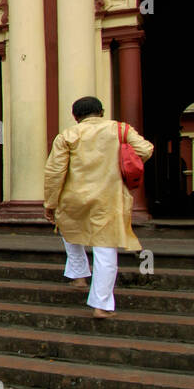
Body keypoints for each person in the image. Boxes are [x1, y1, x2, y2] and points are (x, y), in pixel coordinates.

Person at [44, 95, 154, 318]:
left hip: (73, 196)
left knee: (69, 231)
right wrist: (120, 159)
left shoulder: (68, 135)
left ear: (76, 117)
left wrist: (50, 203)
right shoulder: (120, 130)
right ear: (101, 112)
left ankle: (79, 275)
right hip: (108, 197)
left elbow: (54, 172)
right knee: (105, 250)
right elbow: (145, 149)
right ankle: (101, 305)